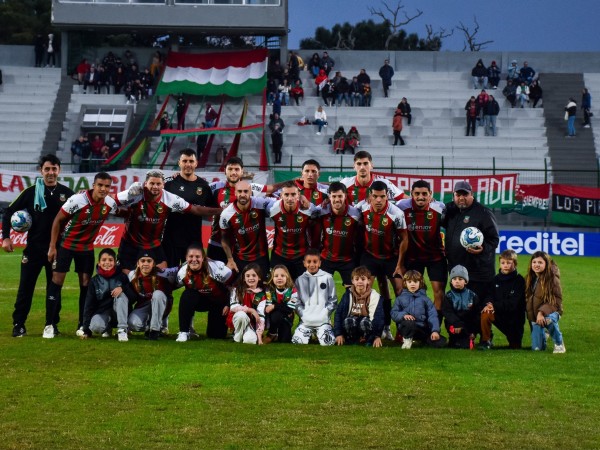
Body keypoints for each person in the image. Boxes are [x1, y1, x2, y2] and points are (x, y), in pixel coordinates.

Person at [2, 155, 74, 338]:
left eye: (54, 169)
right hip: (33, 249)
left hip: (57, 250)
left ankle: (52, 324)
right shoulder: (31, 192)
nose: (51, 172)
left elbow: (78, 218)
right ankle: (19, 324)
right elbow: (8, 211)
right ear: (41, 171)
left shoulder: (67, 194)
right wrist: (6, 238)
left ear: (59, 170)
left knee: (54, 289)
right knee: (25, 288)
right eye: (47, 169)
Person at [46, 172, 118, 338]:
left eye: (107, 186)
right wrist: (52, 246)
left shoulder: (109, 203)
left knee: (86, 284)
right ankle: (49, 324)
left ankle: (83, 325)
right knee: (57, 281)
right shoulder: (78, 200)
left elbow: (121, 207)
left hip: (86, 248)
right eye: (100, 185)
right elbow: (57, 220)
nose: (103, 189)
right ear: (94, 185)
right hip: (66, 245)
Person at [116, 169, 220, 272]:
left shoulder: (170, 199)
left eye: (158, 184)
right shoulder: (135, 193)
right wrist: (120, 211)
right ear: (146, 183)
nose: (155, 187)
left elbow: (195, 209)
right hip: (130, 243)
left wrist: (222, 210)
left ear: (163, 184)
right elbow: (111, 201)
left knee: (162, 272)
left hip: (153, 244)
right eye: (152, 183)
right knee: (126, 276)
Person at [359, 180, 408, 340]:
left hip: (391, 258)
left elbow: (404, 238)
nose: (379, 200)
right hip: (370, 256)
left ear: (387, 196)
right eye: (375, 196)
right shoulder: (362, 208)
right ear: (369, 197)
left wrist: (400, 265)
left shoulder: (396, 213)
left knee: (400, 291)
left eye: (382, 196)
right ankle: (365, 330)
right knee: (364, 291)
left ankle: (401, 329)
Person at [442, 181, 499, 306]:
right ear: (453, 195)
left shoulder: (483, 213)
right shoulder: (450, 210)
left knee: (477, 308)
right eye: (458, 195)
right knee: (459, 307)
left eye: (465, 194)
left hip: (478, 273)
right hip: (456, 271)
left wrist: (482, 249)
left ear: (471, 195)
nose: (461, 198)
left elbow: (494, 239)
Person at [396, 180, 446, 317]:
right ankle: (413, 327)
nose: (421, 197)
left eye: (425, 194)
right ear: (411, 194)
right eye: (417, 193)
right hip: (412, 258)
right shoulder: (401, 206)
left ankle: (434, 328)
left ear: (431, 194)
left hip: (435, 257)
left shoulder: (440, 208)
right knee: (411, 293)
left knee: (439, 292)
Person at [207, 157, 270, 263]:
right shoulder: (216, 189)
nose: (233, 172)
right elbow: (196, 191)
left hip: (241, 248)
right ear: (225, 171)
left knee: (240, 278)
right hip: (217, 243)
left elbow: (271, 190)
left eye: (236, 169)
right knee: (213, 278)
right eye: (230, 169)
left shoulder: (251, 190)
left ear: (242, 171)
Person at [163, 149, 216, 267]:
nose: (188, 164)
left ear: (196, 163)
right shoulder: (168, 183)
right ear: (179, 163)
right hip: (170, 239)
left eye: (191, 161)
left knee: (194, 277)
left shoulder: (204, 186)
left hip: (193, 240)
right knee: (169, 278)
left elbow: (211, 210)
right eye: (185, 161)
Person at [175, 243, 233, 342]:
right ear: (186, 258)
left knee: (216, 335)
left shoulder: (218, 270)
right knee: (187, 295)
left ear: (203, 258)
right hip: (199, 301)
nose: (194, 260)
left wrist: (228, 304)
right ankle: (184, 332)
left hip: (218, 303)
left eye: (197, 256)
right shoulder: (182, 273)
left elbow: (232, 288)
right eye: (191, 257)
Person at [80, 248, 135, 342]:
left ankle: (123, 330)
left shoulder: (122, 277)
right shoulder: (94, 281)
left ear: (115, 262)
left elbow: (133, 298)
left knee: (121, 296)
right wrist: (86, 330)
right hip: (102, 312)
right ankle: (107, 328)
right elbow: (88, 305)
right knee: (96, 327)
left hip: (118, 312)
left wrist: (123, 289)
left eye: (110, 260)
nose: (107, 263)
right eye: (104, 260)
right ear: (99, 263)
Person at [313, 182, 362, 287]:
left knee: (352, 292)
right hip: (326, 258)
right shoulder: (322, 211)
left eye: (340, 196)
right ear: (329, 196)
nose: (337, 199)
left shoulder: (356, 214)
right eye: (334, 196)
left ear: (345, 195)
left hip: (348, 260)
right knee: (320, 291)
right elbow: (308, 211)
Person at [220, 181, 271, 277]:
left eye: (245, 191)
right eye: (239, 191)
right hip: (240, 258)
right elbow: (224, 238)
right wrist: (230, 259)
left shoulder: (260, 204)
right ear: (235, 193)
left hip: (262, 257)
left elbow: (278, 202)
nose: (242, 194)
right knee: (242, 289)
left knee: (262, 288)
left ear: (250, 192)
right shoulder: (226, 214)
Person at [269, 181, 316, 280]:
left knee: (303, 290)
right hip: (279, 255)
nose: (290, 198)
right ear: (281, 195)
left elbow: (321, 213)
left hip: (302, 256)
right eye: (286, 194)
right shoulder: (272, 208)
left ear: (298, 195)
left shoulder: (308, 209)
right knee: (277, 288)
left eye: (293, 194)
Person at [479, 250, 526, 350]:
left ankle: (514, 339)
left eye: (509, 263)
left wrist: (494, 305)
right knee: (486, 312)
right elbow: (489, 295)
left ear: (515, 264)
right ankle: (486, 341)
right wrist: (489, 304)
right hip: (498, 314)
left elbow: (513, 304)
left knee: (516, 346)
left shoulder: (519, 281)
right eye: (503, 263)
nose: (505, 265)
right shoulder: (495, 279)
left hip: (514, 319)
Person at [127, 250, 178, 341]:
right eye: (143, 261)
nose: (146, 264)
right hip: (143, 305)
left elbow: (181, 268)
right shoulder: (132, 275)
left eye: (149, 261)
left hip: (161, 303)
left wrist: (201, 259)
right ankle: (151, 327)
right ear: (138, 263)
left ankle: (154, 331)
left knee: (157, 294)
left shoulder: (164, 273)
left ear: (154, 264)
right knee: (133, 324)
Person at [291, 250, 337, 346]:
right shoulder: (299, 280)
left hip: (322, 320)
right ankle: (308, 332)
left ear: (320, 263)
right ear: (304, 263)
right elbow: (295, 300)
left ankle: (321, 331)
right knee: (297, 342)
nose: (312, 264)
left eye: (315, 262)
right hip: (306, 320)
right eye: (309, 262)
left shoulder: (328, 277)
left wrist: (325, 314)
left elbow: (333, 300)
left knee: (328, 343)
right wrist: (302, 314)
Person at [391, 270, 446, 349]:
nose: (412, 284)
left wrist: (435, 331)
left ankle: (423, 340)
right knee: (409, 322)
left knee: (440, 342)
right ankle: (407, 340)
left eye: (415, 281)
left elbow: (432, 315)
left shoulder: (425, 299)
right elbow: (394, 313)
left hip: (421, 328)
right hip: (406, 326)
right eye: (409, 282)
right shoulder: (400, 299)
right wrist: (403, 315)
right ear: (405, 283)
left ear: (421, 283)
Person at [525, 251, 565, 353]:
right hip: (535, 317)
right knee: (537, 349)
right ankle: (545, 332)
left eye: (540, 262)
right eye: (534, 262)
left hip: (553, 312)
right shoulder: (529, 278)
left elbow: (556, 300)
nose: (536, 265)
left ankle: (559, 344)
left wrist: (541, 312)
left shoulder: (552, 279)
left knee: (548, 320)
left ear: (546, 264)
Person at [334, 266, 384, 347]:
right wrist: (338, 334)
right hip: (352, 323)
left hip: (365, 323)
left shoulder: (375, 297)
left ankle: (368, 339)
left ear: (369, 281)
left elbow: (379, 318)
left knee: (365, 322)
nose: (360, 282)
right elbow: (338, 314)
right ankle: (352, 339)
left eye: (363, 279)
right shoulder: (348, 295)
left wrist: (376, 336)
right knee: (348, 321)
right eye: (357, 279)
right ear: (352, 281)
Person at [340, 150, 406, 205]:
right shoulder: (345, 184)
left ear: (371, 165)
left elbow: (405, 198)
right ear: (354, 166)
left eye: (365, 163)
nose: (362, 167)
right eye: (359, 164)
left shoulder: (384, 183)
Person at [442, 265, 481, 349]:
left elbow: (476, 314)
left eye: (460, 279)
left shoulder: (472, 295)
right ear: (451, 281)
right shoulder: (448, 296)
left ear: (466, 281)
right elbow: (447, 312)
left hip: (468, 324)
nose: (457, 281)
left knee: (465, 345)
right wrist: (456, 323)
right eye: (454, 279)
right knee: (454, 343)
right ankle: (453, 339)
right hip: (454, 323)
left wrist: (473, 331)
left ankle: (469, 338)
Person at [228, 264, 267, 345]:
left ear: (259, 277)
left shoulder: (261, 295)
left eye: (254, 275)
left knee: (250, 341)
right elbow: (233, 307)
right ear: (244, 278)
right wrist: (251, 310)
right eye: (248, 276)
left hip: (250, 324)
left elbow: (261, 316)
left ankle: (245, 333)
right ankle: (237, 337)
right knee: (241, 315)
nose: (251, 278)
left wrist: (259, 337)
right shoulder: (237, 290)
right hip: (237, 319)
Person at [264, 265, 298, 343]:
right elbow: (268, 308)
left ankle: (279, 332)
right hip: (274, 316)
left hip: (287, 317)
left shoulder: (293, 290)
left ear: (287, 277)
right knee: (276, 314)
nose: (279, 278)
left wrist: (275, 305)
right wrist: (279, 307)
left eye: (282, 276)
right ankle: (272, 333)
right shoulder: (269, 290)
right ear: (272, 278)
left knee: (284, 341)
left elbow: (289, 309)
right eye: (276, 276)